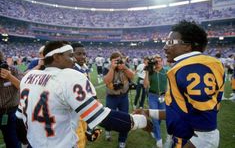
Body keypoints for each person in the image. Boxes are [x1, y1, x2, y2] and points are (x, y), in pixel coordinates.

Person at [15, 41, 152, 148]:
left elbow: (20, 118)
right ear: (56, 57)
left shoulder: (29, 76)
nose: (74, 60)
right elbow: (102, 118)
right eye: (70, 56)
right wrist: (141, 121)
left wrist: (24, 142)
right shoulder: (69, 76)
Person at [135, 20, 225, 148]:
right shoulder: (191, 65)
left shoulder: (191, 67)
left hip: (187, 142)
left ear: (187, 46)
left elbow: (207, 137)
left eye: (170, 42)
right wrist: (148, 112)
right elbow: (181, 113)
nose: (165, 47)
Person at [103, 52, 135, 148]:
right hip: (112, 96)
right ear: (111, 61)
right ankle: (108, 130)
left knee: (125, 118)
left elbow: (132, 76)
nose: (118, 62)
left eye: (119, 59)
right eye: (115, 60)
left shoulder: (125, 66)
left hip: (123, 96)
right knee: (108, 117)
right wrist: (112, 68)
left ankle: (122, 140)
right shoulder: (107, 67)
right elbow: (106, 81)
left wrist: (124, 67)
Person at [143, 54, 168, 148]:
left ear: (162, 61)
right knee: (154, 116)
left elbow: (167, 84)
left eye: (159, 60)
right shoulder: (151, 72)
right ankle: (159, 138)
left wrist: (166, 93)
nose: (158, 62)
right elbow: (145, 86)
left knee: (161, 116)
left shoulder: (166, 71)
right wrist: (147, 72)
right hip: (152, 95)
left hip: (162, 96)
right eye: (155, 61)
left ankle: (153, 129)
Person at [0, 50, 21, 148]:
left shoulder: (13, 70)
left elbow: (23, 87)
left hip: (10, 112)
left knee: (12, 140)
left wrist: (10, 77)